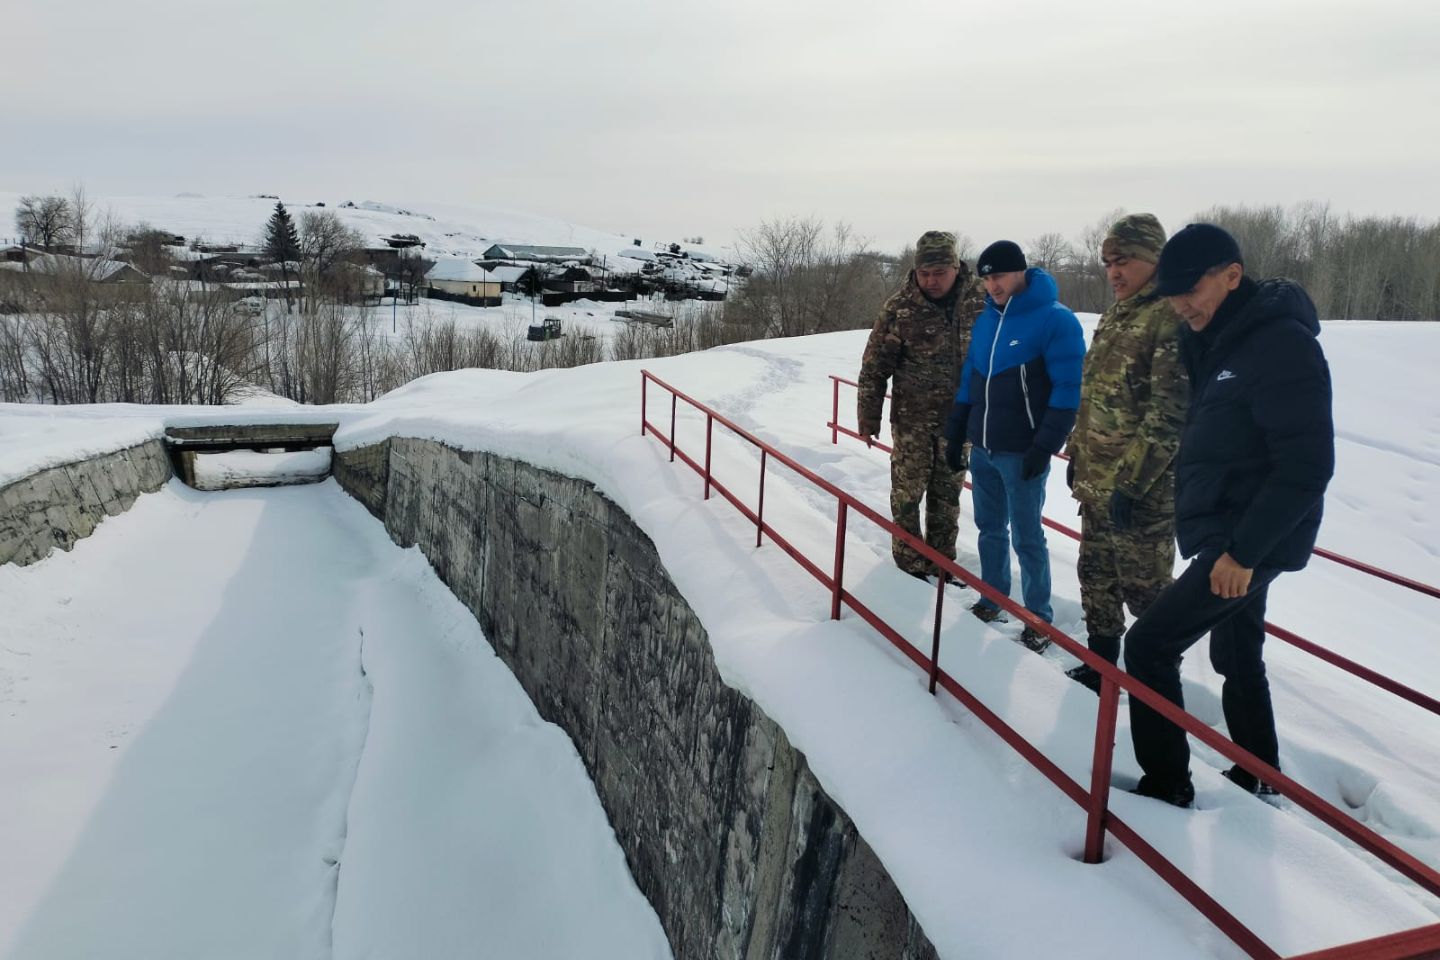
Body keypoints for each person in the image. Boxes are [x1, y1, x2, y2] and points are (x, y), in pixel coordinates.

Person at [1122, 224, 1334, 808]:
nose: (1179, 304)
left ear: (1232, 275)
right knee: (1237, 653)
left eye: (1190, 290)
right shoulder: (1213, 336)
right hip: (1226, 528)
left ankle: (1166, 789)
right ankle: (1259, 772)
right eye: (1172, 293)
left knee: (1149, 646)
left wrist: (1243, 554)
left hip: (1249, 539)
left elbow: (1308, 465)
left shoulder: (1282, 345)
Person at [1064, 215, 1189, 692]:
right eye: (1107, 263)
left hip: (1143, 494)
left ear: (1153, 259)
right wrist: (1077, 453)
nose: (1113, 272)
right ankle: (1100, 670)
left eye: (1124, 261)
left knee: (1147, 593)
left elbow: (1168, 415)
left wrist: (1132, 484)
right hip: (1097, 484)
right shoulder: (1118, 313)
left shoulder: (1169, 317)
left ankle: (1157, 690)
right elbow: (1095, 395)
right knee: (1096, 577)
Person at [944, 241, 1085, 651]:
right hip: (984, 447)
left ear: (1021, 271)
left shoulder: (1055, 320)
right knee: (989, 529)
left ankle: (1039, 617)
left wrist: (1044, 446)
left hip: (1022, 450)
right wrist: (957, 430)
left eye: (1000, 276)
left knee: (1027, 537)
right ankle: (993, 599)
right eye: (987, 279)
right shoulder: (987, 319)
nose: (993, 286)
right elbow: (971, 377)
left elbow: (1068, 388)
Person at [858, 231, 985, 579]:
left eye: (939, 273)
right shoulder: (899, 307)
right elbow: (873, 368)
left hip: (960, 421)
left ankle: (942, 565)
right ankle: (909, 567)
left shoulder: (981, 301)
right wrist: (868, 418)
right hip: (911, 422)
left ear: (956, 267)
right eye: (924, 273)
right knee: (907, 495)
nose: (930, 281)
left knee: (947, 497)